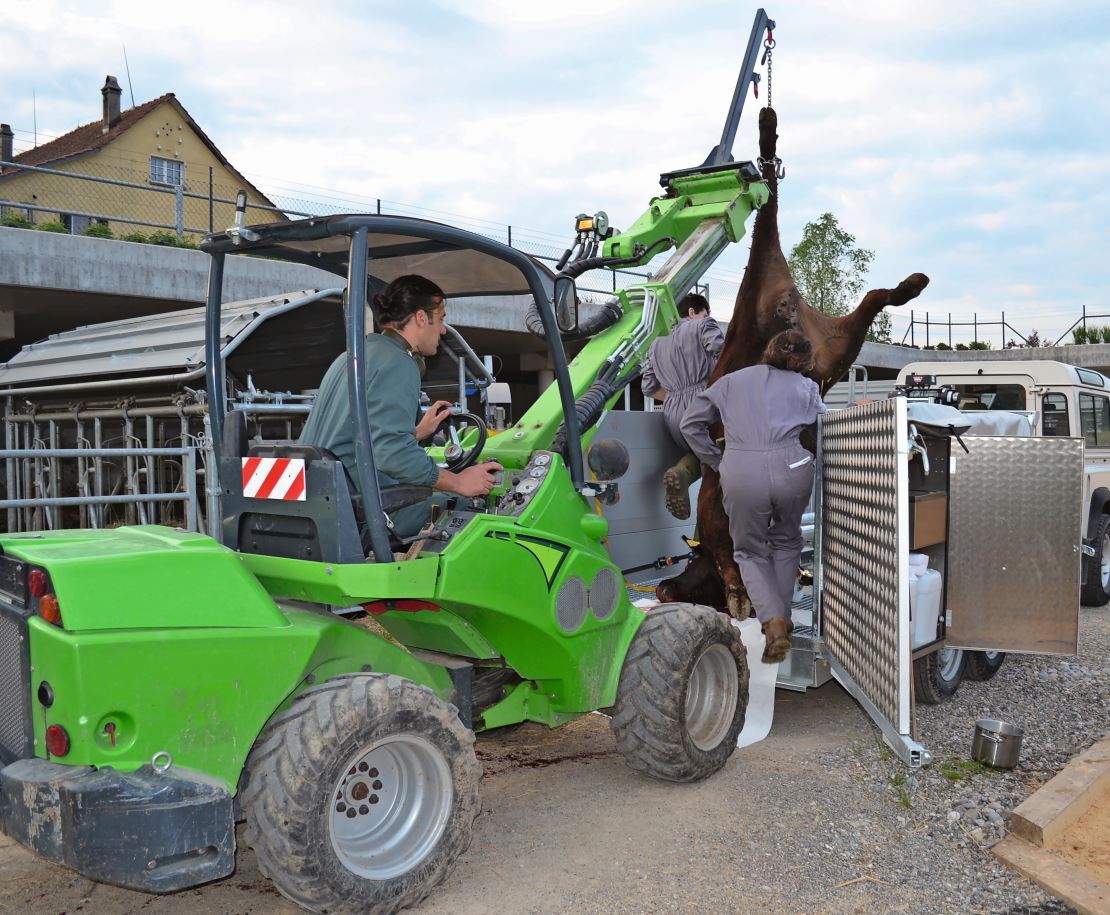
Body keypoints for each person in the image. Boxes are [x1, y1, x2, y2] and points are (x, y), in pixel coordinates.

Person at [300, 274, 502, 539]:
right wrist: (460, 482)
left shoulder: (354, 354)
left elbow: (355, 435)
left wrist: (416, 433)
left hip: (323, 503)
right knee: (464, 508)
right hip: (360, 512)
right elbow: (393, 455)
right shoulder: (399, 363)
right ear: (421, 318)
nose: (443, 330)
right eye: (440, 319)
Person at [680, 329, 826, 663]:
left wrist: (716, 461)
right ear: (804, 360)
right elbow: (824, 429)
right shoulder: (807, 388)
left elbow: (690, 423)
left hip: (742, 469)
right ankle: (782, 618)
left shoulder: (731, 382)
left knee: (749, 551)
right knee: (787, 542)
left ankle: (772, 622)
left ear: (770, 350)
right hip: (793, 467)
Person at [640, 292, 724, 519]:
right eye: (705, 313)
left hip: (672, 414)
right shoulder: (703, 326)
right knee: (721, 467)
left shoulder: (655, 343)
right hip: (704, 405)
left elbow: (647, 387)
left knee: (700, 455)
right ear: (692, 312)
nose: (707, 317)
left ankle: (682, 473)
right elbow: (724, 353)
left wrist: (676, 398)